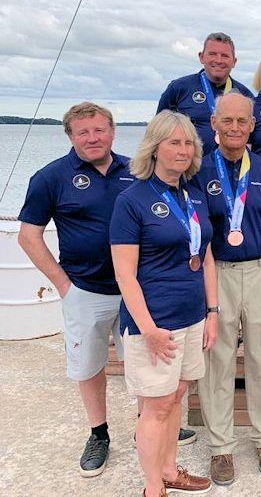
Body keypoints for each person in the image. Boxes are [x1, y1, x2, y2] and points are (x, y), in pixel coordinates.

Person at [17, 102, 133, 477]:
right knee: (89, 365)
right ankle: (99, 433)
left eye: (99, 130)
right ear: (70, 136)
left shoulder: (137, 169)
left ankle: (154, 422)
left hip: (137, 290)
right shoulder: (51, 177)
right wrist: (63, 285)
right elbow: (29, 236)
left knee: (145, 360)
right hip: (85, 290)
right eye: (82, 132)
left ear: (112, 131)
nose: (92, 138)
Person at [110, 110, 217, 497]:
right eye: (174, 142)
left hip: (191, 317)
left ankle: (170, 470)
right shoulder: (132, 200)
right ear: (154, 148)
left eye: (189, 143)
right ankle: (153, 486)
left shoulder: (192, 195)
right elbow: (124, 274)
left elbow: (204, 257)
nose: (183, 150)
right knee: (154, 407)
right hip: (154, 324)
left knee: (175, 398)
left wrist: (212, 312)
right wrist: (149, 329)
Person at [193, 93, 261, 485]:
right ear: (214, 124)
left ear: (253, 125)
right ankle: (221, 447)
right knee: (216, 358)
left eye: (242, 121)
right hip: (216, 272)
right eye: (227, 121)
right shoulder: (198, 171)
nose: (235, 128)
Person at [157, 32, 254, 156]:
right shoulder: (178, 88)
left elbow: (250, 141)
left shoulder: (244, 95)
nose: (218, 60)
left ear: (234, 61)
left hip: (230, 170)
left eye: (225, 56)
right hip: (187, 169)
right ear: (201, 57)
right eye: (212, 54)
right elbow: (157, 133)